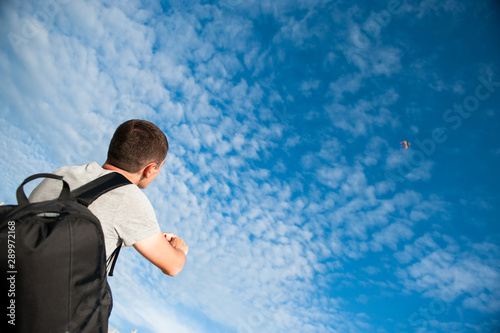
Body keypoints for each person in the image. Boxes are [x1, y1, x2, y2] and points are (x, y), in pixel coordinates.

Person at [29, 119, 188, 276]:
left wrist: (134, 237)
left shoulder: (61, 173)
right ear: (149, 169)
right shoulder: (130, 198)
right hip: (51, 298)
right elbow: (172, 266)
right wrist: (179, 248)